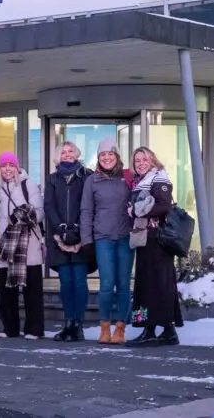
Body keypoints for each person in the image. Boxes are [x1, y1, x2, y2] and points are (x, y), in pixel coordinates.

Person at [81, 138, 133, 345]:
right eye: (103, 154)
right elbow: (86, 210)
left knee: (123, 285)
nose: (107, 157)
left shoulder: (128, 177)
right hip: (103, 238)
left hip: (126, 238)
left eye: (110, 154)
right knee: (106, 284)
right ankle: (104, 327)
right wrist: (86, 239)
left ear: (117, 156)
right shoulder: (92, 181)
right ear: (99, 158)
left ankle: (120, 328)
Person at [126, 146, 180, 346]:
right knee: (157, 284)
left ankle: (149, 330)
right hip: (145, 239)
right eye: (137, 160)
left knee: (150, 285)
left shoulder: (159, 179)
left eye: (144, 160)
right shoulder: (143, 180)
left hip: (156, 240)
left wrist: (138, 211)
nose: (140, 163)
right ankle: (168, 330)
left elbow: (164, 206)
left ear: (153, 161)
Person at [0, 152, 45, 340]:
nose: (7, 169)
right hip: (5, 243)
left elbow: (39, 212)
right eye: (3, 165)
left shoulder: (28, 184)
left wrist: (20, 216)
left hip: (27, 243)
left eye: (11, 165)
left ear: (17, 167)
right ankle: (10, 328)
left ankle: (34, 329)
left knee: (32, 290)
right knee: (7, 290)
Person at [44, 141, 93, 342]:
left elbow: (89, 204)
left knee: (80, 282)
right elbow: (49, 205)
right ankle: (68, 323)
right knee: (65, 283)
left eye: (70, 151)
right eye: (63, 152)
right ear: (58, 156)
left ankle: (78, 325)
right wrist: (61, 228)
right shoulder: (53, 179)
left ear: (77, 154)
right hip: (59, 238)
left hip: (81, 237)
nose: (67, 154)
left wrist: (78, 229)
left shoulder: (87, 176)